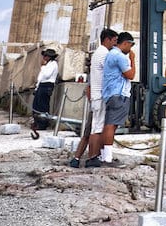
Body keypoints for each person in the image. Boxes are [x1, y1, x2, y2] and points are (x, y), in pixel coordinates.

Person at [69, 28, 117, 168]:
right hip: (100, 95)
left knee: (90, 129)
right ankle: (92, 157)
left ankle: (77, 158)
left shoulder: (97, 53)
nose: (115, 44)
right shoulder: (104, 54)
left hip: (95, 94)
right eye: (114, 41)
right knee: (97, 128)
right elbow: (109, 74)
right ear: (107, 39)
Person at [94, 32, 136, 167]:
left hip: (110, 93)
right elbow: (130, 75)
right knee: (111, 125)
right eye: (131, 44)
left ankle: (103, 154)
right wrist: (133, 60)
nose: (131, 48)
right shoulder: (120, 56)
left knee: (109, 124)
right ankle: (107, 158)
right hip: (118, 94)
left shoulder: (110, 54)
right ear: (125, 43)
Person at [30, 48, 58, 140]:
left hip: (47, 85)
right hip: (42, 85)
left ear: (50, 57)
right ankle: (36, 123)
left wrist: (42, 66)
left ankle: (42, 124)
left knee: (43, 105)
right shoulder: (47, 65)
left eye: (46, 56)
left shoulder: (53, 64)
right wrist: (37, 87)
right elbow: (41, 77)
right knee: (36, 105)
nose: (44, 57)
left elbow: (47, 75)